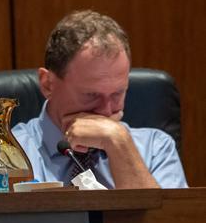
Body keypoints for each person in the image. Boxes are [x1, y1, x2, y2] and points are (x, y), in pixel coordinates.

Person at [12, 10, 187, 189]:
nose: (105, 110)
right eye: (91, 95)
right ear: (48, 84)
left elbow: (164, 218)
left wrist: (118, 143)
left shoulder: (156, 148)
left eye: (118, 93)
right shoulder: (9, 157)